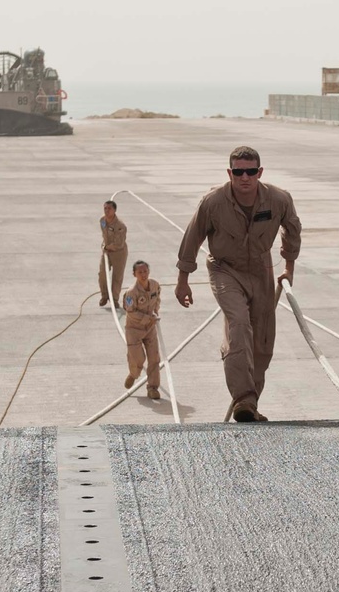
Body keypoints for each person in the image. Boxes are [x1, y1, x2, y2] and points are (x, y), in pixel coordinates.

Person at [175, 146, 301, 422]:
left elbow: (292, 230)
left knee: (263, 342)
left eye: (251, 171)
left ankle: (250, 404)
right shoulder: (213, 202)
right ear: (229, 173)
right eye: (239, 172)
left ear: (260, 172)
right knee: (239, 323)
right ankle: (243, 397)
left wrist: (289, 268)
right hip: (225, 269)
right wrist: (183, 280)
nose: (245, 177)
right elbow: (192, 236)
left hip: (261, 269)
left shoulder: (278, 199)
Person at [122, 260, 162, 400]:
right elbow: (130, 312)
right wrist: (147, 318)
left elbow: (157, 297)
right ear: (134, 274)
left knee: (154, 358)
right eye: (140, 272)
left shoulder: (155, 285)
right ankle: (133, 374)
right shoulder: (131, 293)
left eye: (145, 271)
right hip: (134, 329)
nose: (143, 274)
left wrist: (156, 310)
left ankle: (153, 388)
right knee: (137, 358)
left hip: (150, 328)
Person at [98, 200, 128, 308]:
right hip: (107, 251)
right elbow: (104, 235)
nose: (106, 211)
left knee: (117, 276)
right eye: (105, 208)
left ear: (114, 210)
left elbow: (118, 244)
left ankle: (114, 299)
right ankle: (104, 296)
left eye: (109, 209)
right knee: (102, 274)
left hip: (119, 253)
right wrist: (105, 247)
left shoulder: (120, 226)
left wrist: (106, 247)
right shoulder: (102, 220)